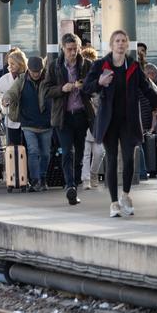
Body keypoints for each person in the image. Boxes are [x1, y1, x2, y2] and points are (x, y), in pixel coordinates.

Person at [83, 30, 157, 218]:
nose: (120, 44)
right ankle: (114, 202)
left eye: (123, 41)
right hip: (109, 121)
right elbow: (86, 87)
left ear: (127, 45)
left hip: (128, 120)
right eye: (117, 41)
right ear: (111, 44)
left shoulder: (132, 66)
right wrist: (100, 82)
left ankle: (126, 195)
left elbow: (147, 89)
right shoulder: (101, 65)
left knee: (128, 159)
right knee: (111, 158)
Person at [43, 33, 93, 206]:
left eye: (75, 49)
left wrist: (84, 85)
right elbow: (46, 91)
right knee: (66, 151)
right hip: (63, 117)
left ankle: (75, 184)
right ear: (63, 49)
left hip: (81, 115)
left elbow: (95, 86)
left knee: (79, 153)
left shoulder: (86, 65)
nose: (72, 52)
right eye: (69, 49)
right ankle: (70, 186)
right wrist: (62, 89)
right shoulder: (54, 66)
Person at [6, 56, 52, 192]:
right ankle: (35, 180)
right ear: (28, 70)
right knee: (33, 151)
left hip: (46, 123)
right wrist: (6, 99)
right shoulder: (22, 80)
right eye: (33, 72)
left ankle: (43, 177)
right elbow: (12, 92)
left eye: (38, 71)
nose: (36, 74)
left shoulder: (48, 80)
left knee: (45, 153)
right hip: (28, 123)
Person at [80, 46, 105, 190]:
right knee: (86, 153)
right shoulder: (83, 82)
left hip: (99, 122)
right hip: (86, 121)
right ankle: (86, 179)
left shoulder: (99, 81)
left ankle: (94, 173)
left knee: (100, 152)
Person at [0, 49, 27, 146]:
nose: (10, 67)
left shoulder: (28, 77)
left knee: (27, 147)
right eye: (9, 64)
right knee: (13, 147)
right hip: (11, 119)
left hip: (27, 119)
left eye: (13, 64)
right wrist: (3, 103)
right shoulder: (4, 79)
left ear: (20, 64)